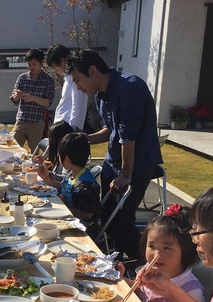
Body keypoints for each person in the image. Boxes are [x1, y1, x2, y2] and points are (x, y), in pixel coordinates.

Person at [66, 49, 163, 261]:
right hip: (113, 164)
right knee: (106, 218)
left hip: (136, 165)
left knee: (122, 221)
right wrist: (86, 138)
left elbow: (128, 136)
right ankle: (120, 262)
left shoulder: (130, 87)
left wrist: (126, 174)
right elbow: (111, 130)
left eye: (78, 80)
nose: (77, 87)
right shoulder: (101, 96)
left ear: (92, 71)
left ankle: (147, 265)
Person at [132, 204, 206, 302]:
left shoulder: (192, 290)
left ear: (186, 251)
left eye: (167, 248)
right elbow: (137, 291)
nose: (157, 255)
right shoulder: (150, 268)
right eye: (152, 246)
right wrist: (119, 277)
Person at [39, 133, 101, 239]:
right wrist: (47, 179)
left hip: (83, 230)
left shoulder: (84, 185)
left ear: (66, 159)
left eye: (59, 155)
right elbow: (64, 187)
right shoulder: (73, 173)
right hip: (68, 220)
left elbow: (88, 214)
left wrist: (64, 208)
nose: (58, 158)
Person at [10, 48, 56, 151]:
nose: (31, 67)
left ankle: (33, 167)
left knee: (35, 153)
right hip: (21, 120)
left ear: (41, 63)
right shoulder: (22, 78)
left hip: (37, 122)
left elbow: (48, 102)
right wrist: (16, 96)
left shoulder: (48, 80)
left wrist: (33, 98)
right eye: (29, 64)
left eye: (34, 64)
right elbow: (14, 98)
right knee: (12, 148)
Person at [45, 44, 88, 131]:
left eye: (54, 66)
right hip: (62, 125)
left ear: (63, 61)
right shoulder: (68, 77)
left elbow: (78, 103)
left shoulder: (74, 76)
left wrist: (74, 127)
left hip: (68, 126)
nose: (54, 70)